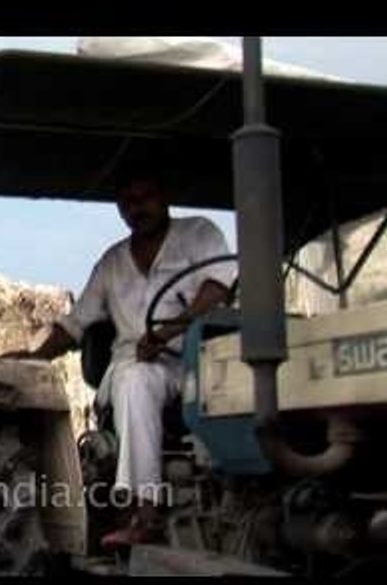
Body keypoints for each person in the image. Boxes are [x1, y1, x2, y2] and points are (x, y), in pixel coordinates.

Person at [14, 166, 236, 546]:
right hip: (140, 365)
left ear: (164, 197)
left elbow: (217, 287)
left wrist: (169, 331)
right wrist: (34, 356)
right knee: (136, 379)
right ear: (120, 209)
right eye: (129, 202)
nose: (138, 208)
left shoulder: (199, 233)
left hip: (203, 359)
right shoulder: (112, 263)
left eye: (146, 197)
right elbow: (76, 324)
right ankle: (144, 513)